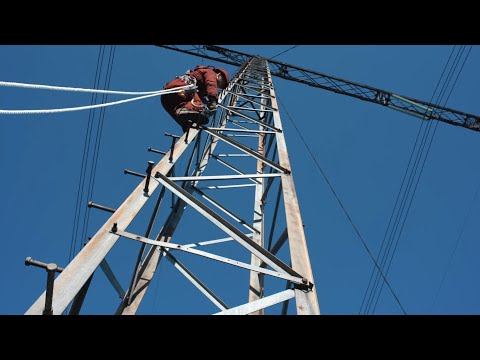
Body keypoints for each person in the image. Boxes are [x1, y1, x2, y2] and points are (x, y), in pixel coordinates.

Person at [161, 65, 230, 132]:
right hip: (182, 88)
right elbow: (211, 83)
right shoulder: (211, 73)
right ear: (219, 75)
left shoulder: (201, 84)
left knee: (179, 112)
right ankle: (185, 115)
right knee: (199, 106)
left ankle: (186, 124)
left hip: (168, 97)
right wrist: (213, 100)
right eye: (222, 84)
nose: (219, 86)